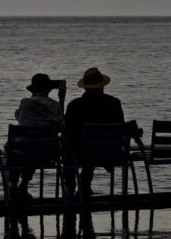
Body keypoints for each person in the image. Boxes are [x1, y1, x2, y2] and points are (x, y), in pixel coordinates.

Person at [63, 67, 124, 197]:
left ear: (85, 87)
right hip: (110, 153)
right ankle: (85, 184)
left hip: (81, 153)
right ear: (102, 86)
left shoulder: (74, 106)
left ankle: (70, 186)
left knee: (70, 146)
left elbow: (67, 131)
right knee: (93, 146)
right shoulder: (113, 103)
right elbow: (121, 128)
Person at [9, 73, 65, 200]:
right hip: (47, 154)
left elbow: (19, 117)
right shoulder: (55, 106)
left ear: (33, 89)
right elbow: (62, 127)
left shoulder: (25, 103)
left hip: (24, 152)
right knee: (35, 146)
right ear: (48, 89)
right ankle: (23, 185)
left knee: (21, 146)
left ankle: (13, 184)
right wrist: (62, 99)